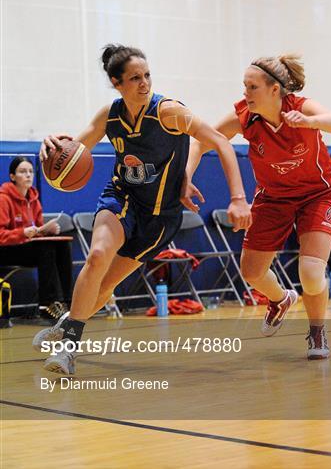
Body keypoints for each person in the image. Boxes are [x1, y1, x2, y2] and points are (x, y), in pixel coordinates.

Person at [33, 44, 251, 374]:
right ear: (116, 82)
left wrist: (237, 197)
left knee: (105, 286)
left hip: (161, 216)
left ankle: (66, 321)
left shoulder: (168, 111)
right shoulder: (110, 116)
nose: (145, 83)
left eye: (147, 75)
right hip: (122, 197)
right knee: (96, 257)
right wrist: (50, 146)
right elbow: (73, 153)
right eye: (135, 78)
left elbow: (220, 141)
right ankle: (68, 347)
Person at [182, 54, 331, 360]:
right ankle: (281, 299)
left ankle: (317, 329)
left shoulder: (301, 107)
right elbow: (200, 142)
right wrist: (187, 176)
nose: (245, 93)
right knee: (251, 272)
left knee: (311, 273)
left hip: (318, 194)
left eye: (252, 87)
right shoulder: (244, 116)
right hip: (273, 198)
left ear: (275, 90)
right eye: (244, 86)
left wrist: (310, 122)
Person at [0, 156, 72, 324]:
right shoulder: (3, 199)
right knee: (45, 249)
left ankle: (67, 302)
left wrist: (46, 230)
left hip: (27, 248)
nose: (28, 175)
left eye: (31, 171)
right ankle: (46, 305)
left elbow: (38, 230)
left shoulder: (33, 199)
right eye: (23, 171)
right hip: (6, 249)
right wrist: (23, 233)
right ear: (12, 176)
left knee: (62, 245)